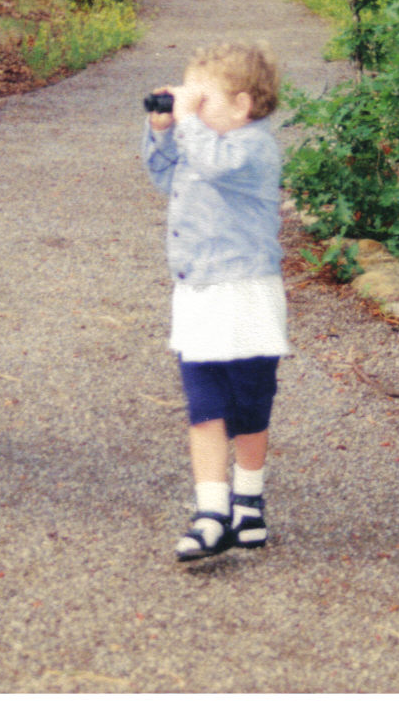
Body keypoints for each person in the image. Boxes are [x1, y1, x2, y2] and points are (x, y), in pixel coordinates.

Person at [142, 41, 291, 561]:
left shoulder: (252, 148)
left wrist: (186, 122)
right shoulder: (202, 141)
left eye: (201, 100)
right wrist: (162, 131)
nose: (191, 110)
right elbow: (166, 175)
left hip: (247, 291)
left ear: (243, 106)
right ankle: (211, 511)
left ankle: (249, 499)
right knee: (204, 406)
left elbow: (213, 161)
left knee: (250, 405)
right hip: (198, 292)